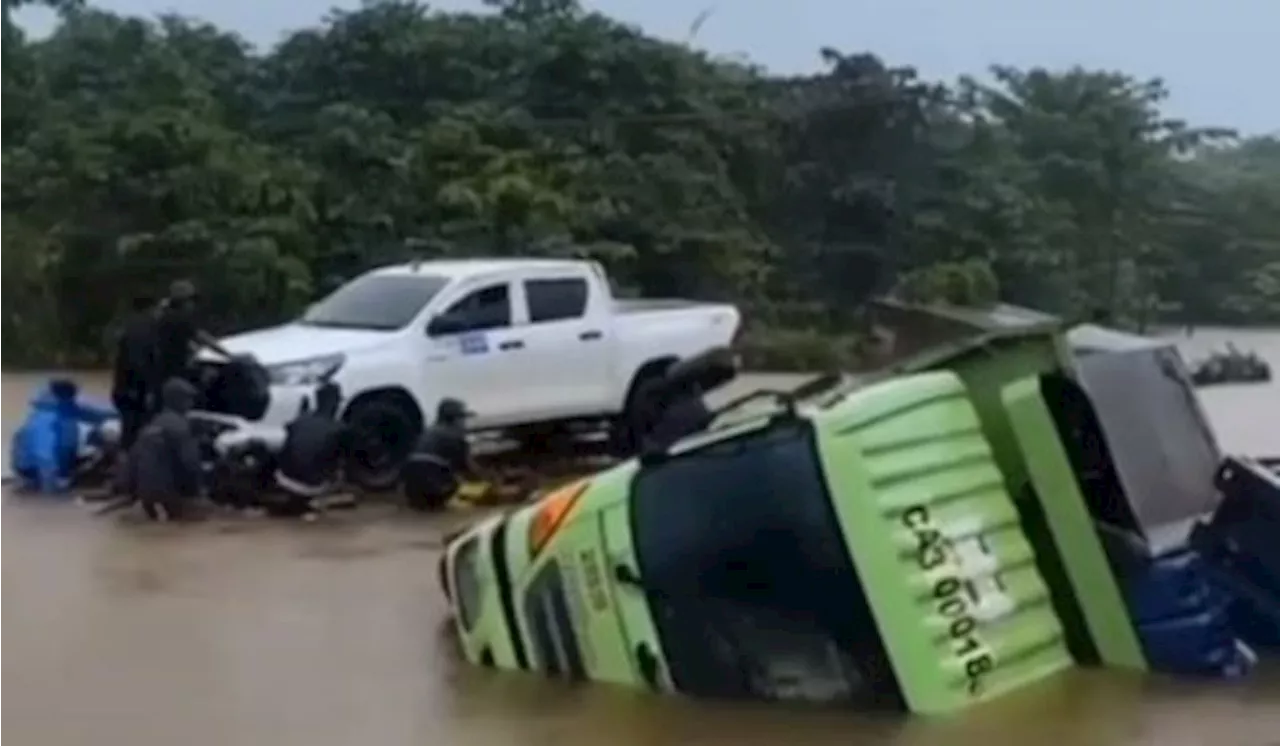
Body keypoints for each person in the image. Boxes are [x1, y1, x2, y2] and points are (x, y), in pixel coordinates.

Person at [10, 379, 117, 495]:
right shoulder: (47, 418)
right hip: (33, 468)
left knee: (99, 439)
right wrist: (51, 486)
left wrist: (123, 414)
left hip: (53, 459)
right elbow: (43, 453)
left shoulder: (64, 407)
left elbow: (96, 415)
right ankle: (58, 479)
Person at [269, 382, 355, 518]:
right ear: (336, 403)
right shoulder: (340, 429)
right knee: (341, 466)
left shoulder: (302, 418)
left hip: (283, 478)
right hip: (313, 487)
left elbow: (290, 434)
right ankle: (319, 499)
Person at [123, 377, 205, 521]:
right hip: (166, 496)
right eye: (188, 399)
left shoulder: (153, 424)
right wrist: (199, 492)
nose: (191, 404)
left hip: (144, 495)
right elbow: (190, 465)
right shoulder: (180, 427)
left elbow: (132, 460)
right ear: (178, 400)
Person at [402, 398, 486, 511]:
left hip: (411, 493)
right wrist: (487, 479)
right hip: (436, 491)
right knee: (462, 485)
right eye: (462, 418)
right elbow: (468, 468)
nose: (464, 423)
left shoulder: (427, 432)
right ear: (454, 419)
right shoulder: (456, 437)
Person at [153, 279, 233, 388]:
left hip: (163, 372)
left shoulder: (164, 316)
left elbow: (181, 340)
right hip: (175, 371)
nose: (193, 305)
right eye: (192, 300)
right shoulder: (179, 319)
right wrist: (228, 355)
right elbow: (203, 338)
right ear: (184, 301)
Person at [112, 295, 159, 450]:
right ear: (150, 308)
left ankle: (125, 463)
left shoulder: (127, 327)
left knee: (128, 432)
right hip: (136, 390)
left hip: (122, 388)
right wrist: (148, 389)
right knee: (136, 434)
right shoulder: (145, 329)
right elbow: (139, 362)